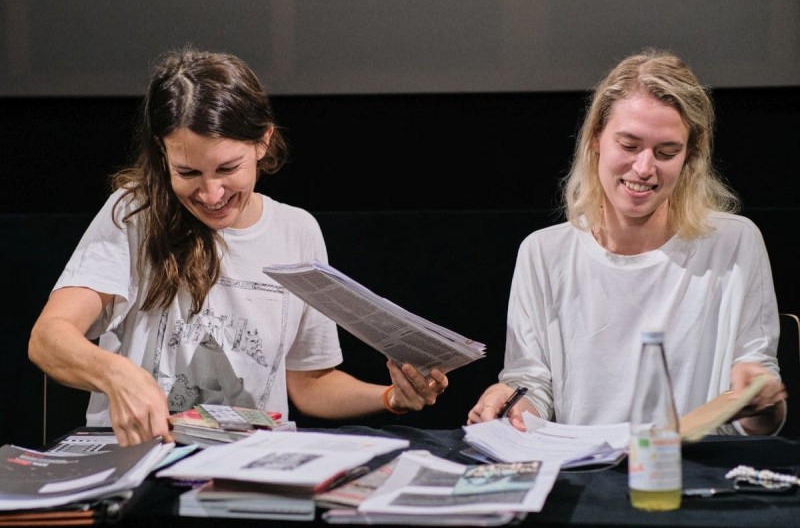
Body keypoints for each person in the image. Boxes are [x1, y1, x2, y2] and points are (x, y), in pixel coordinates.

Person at [28, 46, 447, 447]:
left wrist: (390, 397)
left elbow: (310, 384)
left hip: (250, 468)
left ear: (262, 142)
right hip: (144, 461)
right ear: (162, 152)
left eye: (228, 169)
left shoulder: (297, 230)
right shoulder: (136, 211)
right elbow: (49, 338)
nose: (211, 194)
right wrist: (116, 374)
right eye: (188, 171)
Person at [467, 48, 786, 436]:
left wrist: (762, 399)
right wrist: (512, 403)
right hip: (586, 477)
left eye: (667, 152)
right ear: (597, 138)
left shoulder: (734, 244)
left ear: (690, 156)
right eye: (630, 146)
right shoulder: (543, 253)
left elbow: (760, 412)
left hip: (694, 477)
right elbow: (532, 386)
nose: (644, 168)